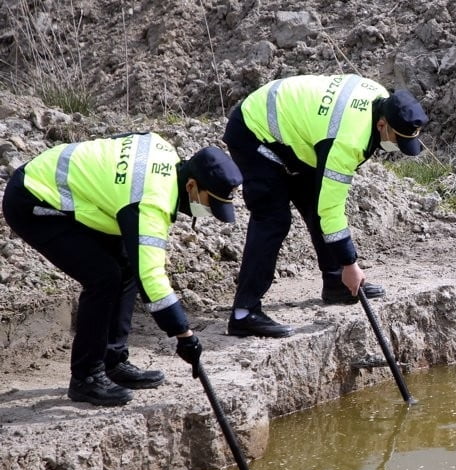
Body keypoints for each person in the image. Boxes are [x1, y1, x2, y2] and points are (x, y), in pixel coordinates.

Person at [1, 133, 243, 406]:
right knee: (103, 277)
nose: (209, 211)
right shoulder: (151, 202)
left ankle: (112, 360)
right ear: (191, 186)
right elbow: (151, 277)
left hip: (73, 192)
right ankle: (86, 377)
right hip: (35, 200)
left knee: (126, 264)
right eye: (211, 203)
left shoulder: (164, 153)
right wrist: (183, 334)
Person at [222, 74, 428, 338]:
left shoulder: (381, 98)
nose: (398, 147)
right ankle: (244, 312)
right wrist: (350, 263)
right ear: (381, 125)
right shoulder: (348, 140)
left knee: (312, 199)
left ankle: (336, 283)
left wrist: (344, 269)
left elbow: (323, 203)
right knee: (272, 218)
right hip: (254, 131)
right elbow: (331, 210)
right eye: (398, 140)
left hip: (296, 135)